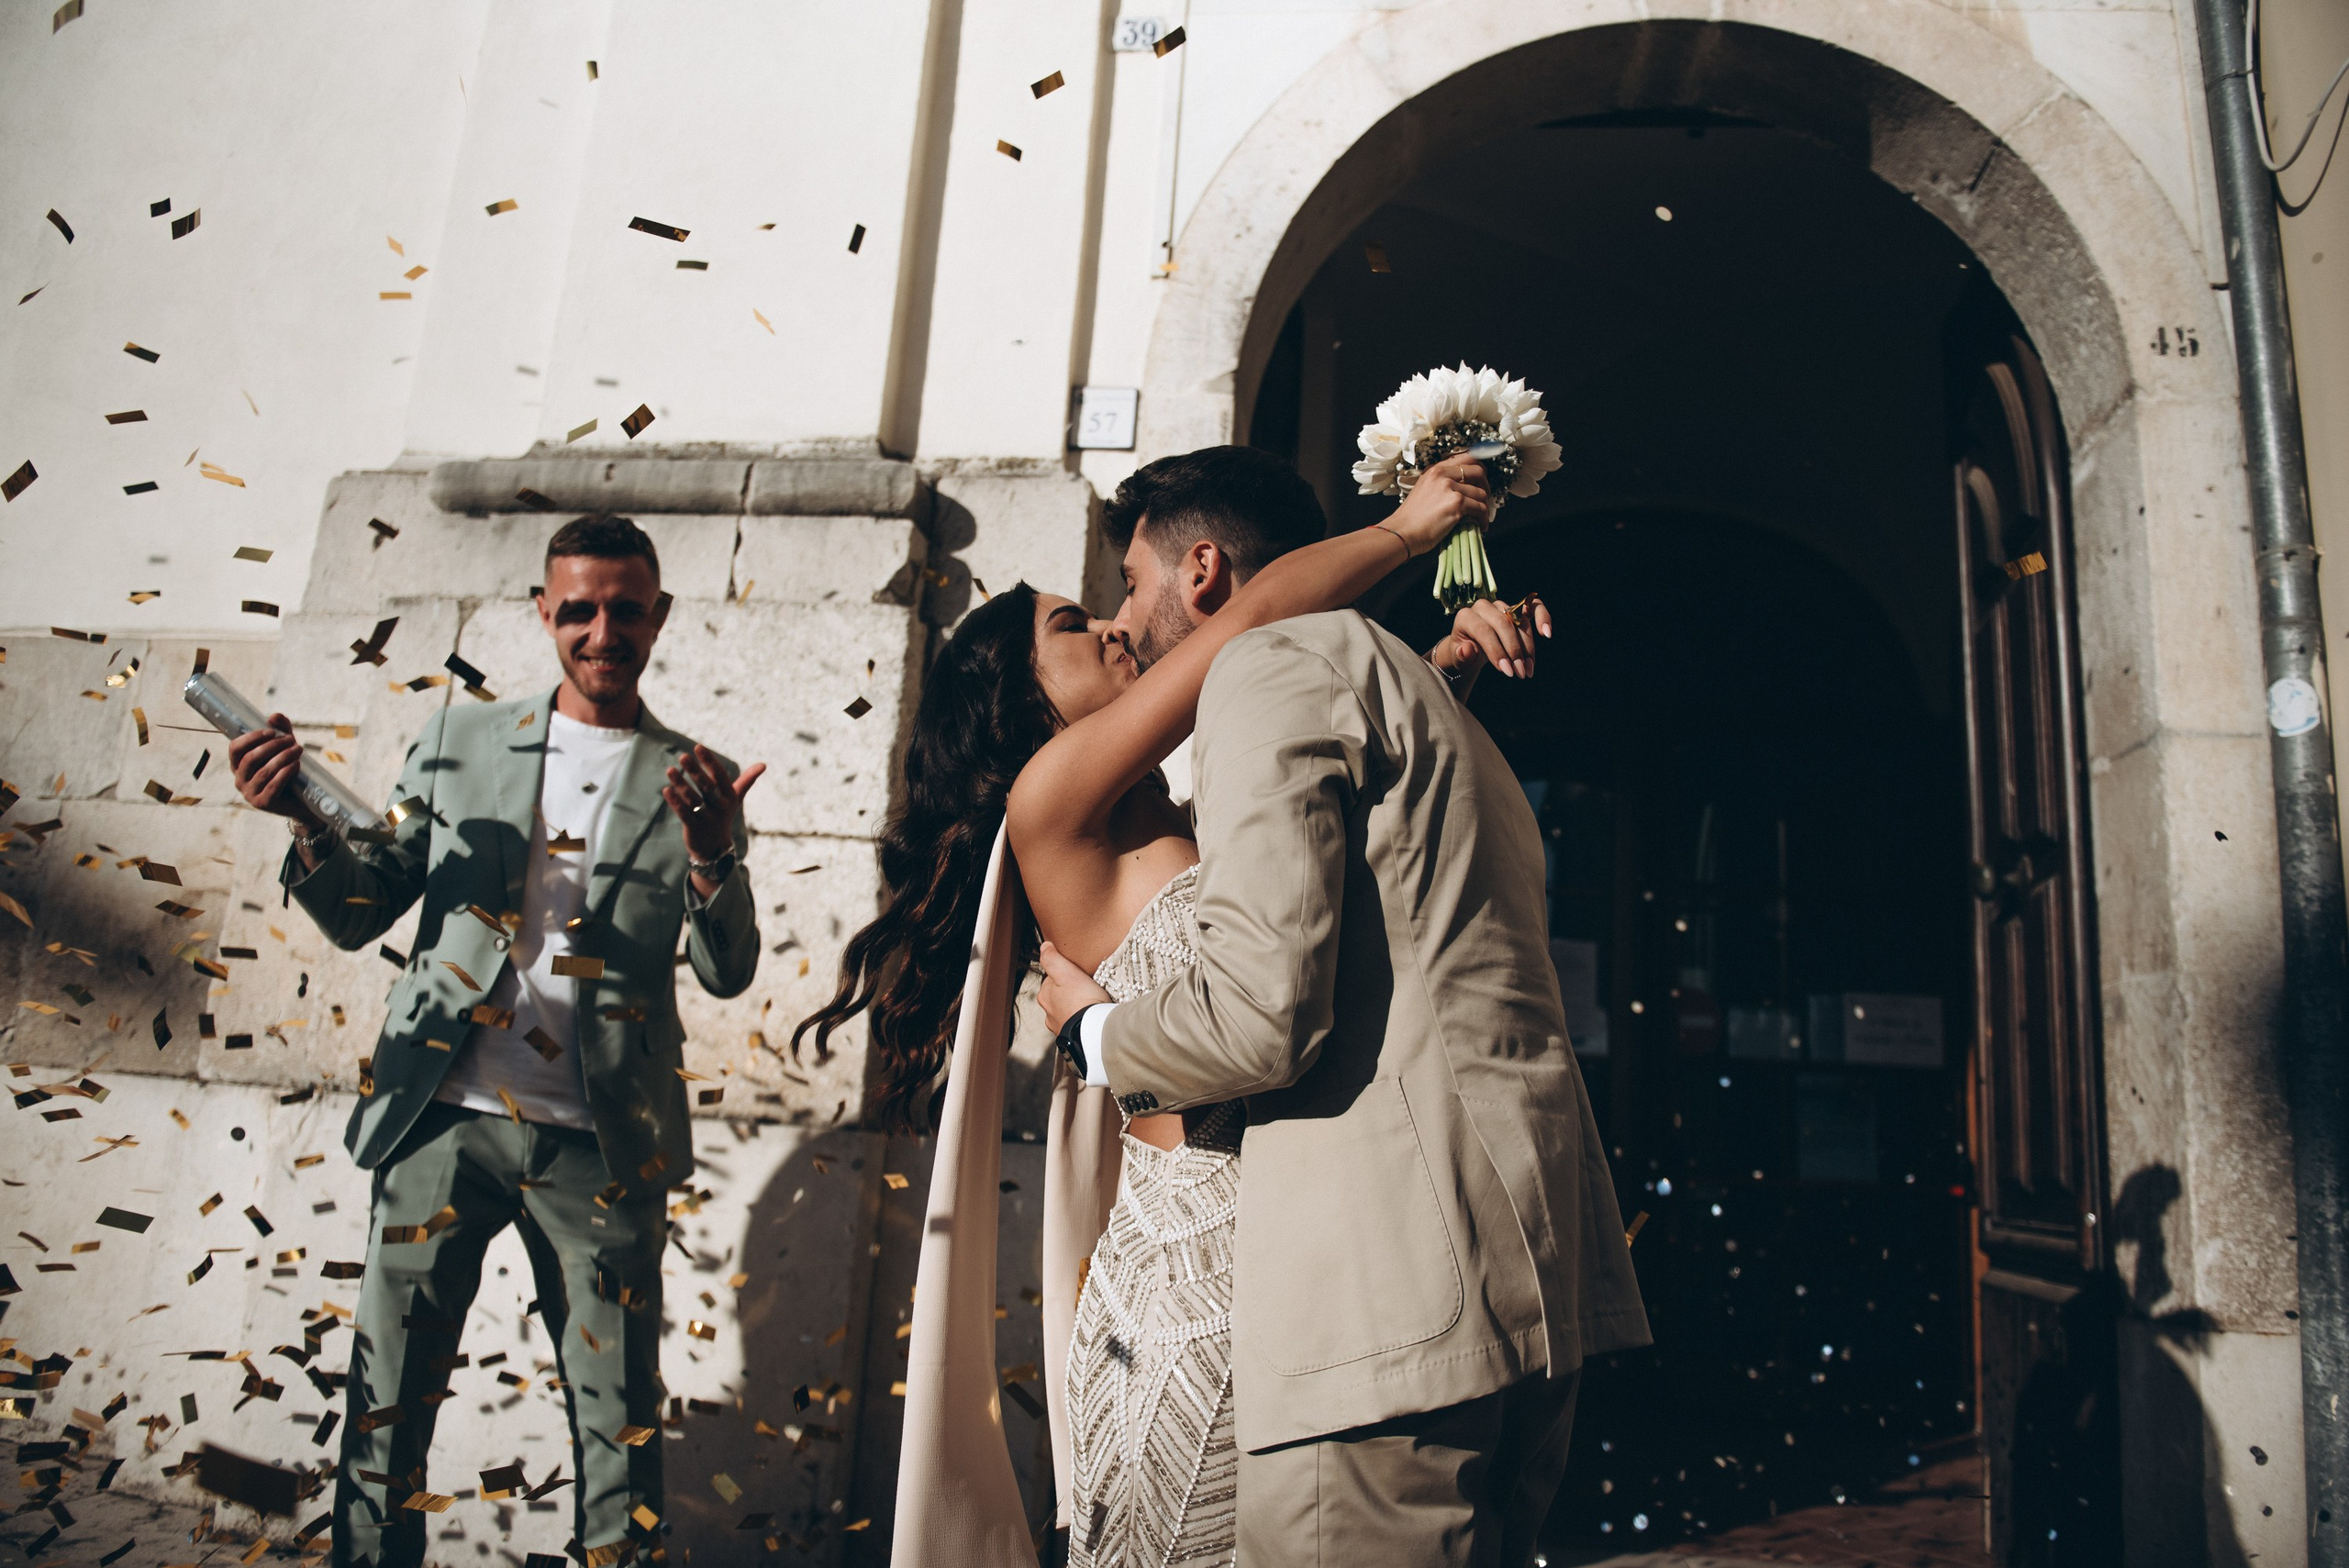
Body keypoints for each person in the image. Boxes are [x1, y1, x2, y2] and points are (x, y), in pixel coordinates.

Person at [795, 445, 1550, 1566]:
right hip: (1191, 1290)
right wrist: (1406, 530)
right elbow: (1255, 621)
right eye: (1071, 626)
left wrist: (1438, 672)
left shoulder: (1184, 813)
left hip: (1305, 1250)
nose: (1111, 626)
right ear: (1019, 698)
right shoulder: (1049, 801)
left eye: (1104, 603)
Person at [1035, 453, 1652, 1564]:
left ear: (1202, 570)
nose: (1120, 621)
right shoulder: (1424, 705)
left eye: (1125, 583)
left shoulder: (1265, 671)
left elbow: (1257, 1014)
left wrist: (1094, 1034)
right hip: (1519, 1278)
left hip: (1373, 1296)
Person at [228, 514, 762, 1568]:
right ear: (543, 611)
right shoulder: (459, 741)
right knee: (386, 1408)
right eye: (579, 610)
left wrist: (713, 858)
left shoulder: (700, 777)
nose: (602, 631)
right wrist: (303, 818)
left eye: (625, 610)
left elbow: (727, 967)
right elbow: (364, 907)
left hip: (602, 1146)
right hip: (441, 1119)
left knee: (619, 1423)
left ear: (659, 615)